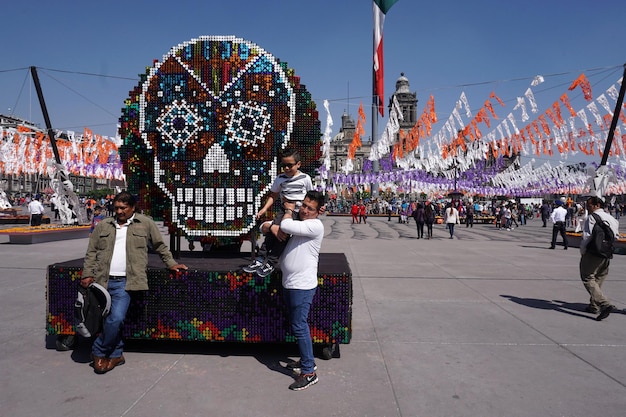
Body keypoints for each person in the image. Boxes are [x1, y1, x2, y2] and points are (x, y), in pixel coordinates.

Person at [80, 191, 187, 374]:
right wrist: (87, 273)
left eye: (124, 208)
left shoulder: (145, 223)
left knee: (116, 318)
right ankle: (115, 355)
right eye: (117, 208)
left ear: (133, 207)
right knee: (108, 320)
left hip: (125, 282)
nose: (120, 211)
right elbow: (92, 251)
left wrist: (172, 264)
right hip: (102, 281)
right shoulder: (104, 225)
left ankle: (98, 351)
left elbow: (160, 246)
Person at [260, 190, 325, 390]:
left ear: (318, 212)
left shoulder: (314, 225)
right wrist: (272, 226)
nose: (305, 210)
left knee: (299, 325)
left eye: (310, 208)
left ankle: (308, 372)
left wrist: (289, 210)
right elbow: (263, 226)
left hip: (302, 285)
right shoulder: (300, 221)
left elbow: (286, 225)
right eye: (303, 205)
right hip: (290, 282)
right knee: (298, 325)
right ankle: (307, 361)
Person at [244, 148, 313, 277]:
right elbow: (273, 195)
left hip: (298, 213)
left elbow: (311, 197)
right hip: (284, 210)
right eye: (283, 165)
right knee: (272, 232)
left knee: (282, 236)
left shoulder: (305, 178)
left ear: (298, 164)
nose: (286, 168)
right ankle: (260, 259)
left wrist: (312, 212)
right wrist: (264, 209)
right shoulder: (280, 178)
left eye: (290, 165)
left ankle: (271, 262)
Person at [579, 197, 620, 321]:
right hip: (606, 253)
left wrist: (583, 251)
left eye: (589, 205)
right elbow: (616, 236)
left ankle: (604, 303)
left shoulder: (592, 218)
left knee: (588, 277)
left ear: (597, 205)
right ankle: (594, 306)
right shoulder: (611, 218)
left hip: (593, 252)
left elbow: (587, 236)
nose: (587, 207)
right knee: (598, 278)